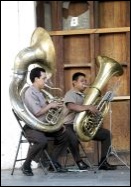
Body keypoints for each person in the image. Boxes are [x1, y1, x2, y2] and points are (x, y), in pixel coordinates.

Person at [63, 72, 117, 170]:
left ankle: (103, 162)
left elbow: (87, 111)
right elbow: (71, 106)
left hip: (82, 126)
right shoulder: (70, 93)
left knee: (106, 134)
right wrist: (88, 107)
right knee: (73, 139)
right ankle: (79, 161)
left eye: (85, 81)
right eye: (82, 81)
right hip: (69, 125)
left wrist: (95, 109)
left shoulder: (85, 96)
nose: (85, 83)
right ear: (74, 82)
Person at [22, 67, 68, 176]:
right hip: (32, 127)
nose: (45, 81)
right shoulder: (30, 93)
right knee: (41, 141)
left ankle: (53, 162)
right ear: (36, 79)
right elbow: (37, 113)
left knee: (65, 134)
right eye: (44, 78)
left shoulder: (41, 93)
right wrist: (50, 105)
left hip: (44, 126)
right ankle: (26, 165)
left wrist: (55, 106)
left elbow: (46, 111)